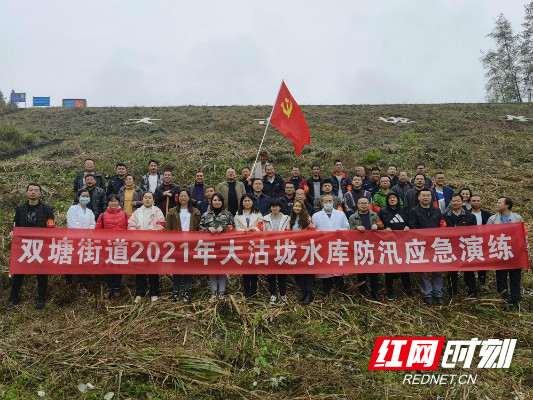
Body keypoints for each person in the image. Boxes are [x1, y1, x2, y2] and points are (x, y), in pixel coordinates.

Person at [7, 183, 55, 309]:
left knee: (42, 272)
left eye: (36, 190)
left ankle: (41, 298)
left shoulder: (47, 209)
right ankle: (14, 297)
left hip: (41, 245)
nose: (33, 192)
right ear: (27, 193)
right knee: (19, 271)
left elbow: (51, 227)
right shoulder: (20, 209)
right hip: (24, 245)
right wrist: (13, 232)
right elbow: (15, 225)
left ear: (40, 193)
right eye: (31, 190)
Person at [487, 197, 527, 312]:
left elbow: (523, 234)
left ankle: (516, 301)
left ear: (507, 205)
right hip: (499, 252)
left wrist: (525, 245)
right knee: (501, 278)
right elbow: (487, 236)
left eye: (499, 203)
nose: (497, 204)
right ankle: (504, 301)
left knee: (515, 278)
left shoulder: (517, 218)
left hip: (515, 253)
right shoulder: (492, 219)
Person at [408, 188, 445, 306]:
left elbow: (441, 227)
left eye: (428, 195)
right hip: (422, 245)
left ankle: (438, 293)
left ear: (431, 197)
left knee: (438, 270)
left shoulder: (437, 211)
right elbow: (412, 227)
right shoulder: (413, 211)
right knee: (424, 271)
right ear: (418, 197)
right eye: (423, 195)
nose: (426, 197)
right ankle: (427, 294)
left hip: (436, 244)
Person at [128, 192, 165, 303]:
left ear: (153, 200)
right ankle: (140, 293)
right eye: (145, 198)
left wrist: (150, 233)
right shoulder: (137, 212)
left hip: (153, 244)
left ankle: (154, 293)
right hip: (139, 244)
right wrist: (137, 234)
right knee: (140, 269)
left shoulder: (157, 211)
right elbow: (131, 225)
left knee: (153, 269)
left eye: (150, 198)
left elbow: (161, 224)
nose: (147, 199)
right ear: (142, 199)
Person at [165, 189, 201, 303]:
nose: (183, 198)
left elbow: (199, 229)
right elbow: (167, 229)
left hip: (190, 244)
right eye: (181, 196)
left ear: (189, 198)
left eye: (185, 196)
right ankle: (175, 291)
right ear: (178, 198)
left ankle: (186, 291)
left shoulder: (195, 212)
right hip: (176, 244)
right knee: (176, 267)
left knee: (188, 268)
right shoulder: (172, 212)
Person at [312, 194, 350, 299]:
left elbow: (346, 227)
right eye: (325, 201)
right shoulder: (316, 215)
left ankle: (341, 294)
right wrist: (322, 233)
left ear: (333, 202)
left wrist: (339, 232)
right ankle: (327, 294)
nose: (328, 203)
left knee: (338, 271)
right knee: (326, 272)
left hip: (337, 245)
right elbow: (313, 230)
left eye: (330, 201)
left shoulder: (340, 214)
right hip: (323, 246)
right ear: (322, 203)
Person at [199, 193, 235, 301]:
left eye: (219, 200)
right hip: (209, 245)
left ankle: (222, 292)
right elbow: (200, 227)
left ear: (222, 202)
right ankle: (213, 292)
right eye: (215, 200)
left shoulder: (228, 214)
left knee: (222, 268)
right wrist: (207, 229)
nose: (217, 202)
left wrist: (224, 227)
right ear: (211, 201)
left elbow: (233, 227)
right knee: (212, 268)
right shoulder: (206, 215)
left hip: (223, 245)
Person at [443, 194, 478, 299]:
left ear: (462, 202)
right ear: (450, 203)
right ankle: (453, 292)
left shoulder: (470, 216)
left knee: (468, 271)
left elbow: (474, 232)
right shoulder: (444, 216)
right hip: (450, 247)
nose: (456, 203)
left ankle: (472, 292)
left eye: (458, 201)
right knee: (452, 271)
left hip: (465, 247)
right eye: (453, 201)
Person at [349, 197, 384, 302]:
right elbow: (349, 231)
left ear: (369, 204)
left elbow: (382, 225)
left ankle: (375, 292)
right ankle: (362, 292)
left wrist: (376, 225)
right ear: (357, 204)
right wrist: (356, 229)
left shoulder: (374, 215)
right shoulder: (353, 217)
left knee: (374, 271)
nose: (363, 205)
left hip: (373, 247)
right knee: (361, 271)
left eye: (365, 203)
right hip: (359, 248)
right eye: (361, 203)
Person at [378, 192, 412, 300]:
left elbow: (410, 221)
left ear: (398, 199)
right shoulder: (383, 211)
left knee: (404, 267)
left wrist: (408, 226)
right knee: (389, 268)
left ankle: (408, 289)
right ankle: (390, 291)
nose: (392, 200)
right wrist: (384, 228)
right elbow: (379, 224)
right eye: (390, 198)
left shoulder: (404, 210)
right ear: (387, 200)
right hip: (389, 243)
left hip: (403, 242)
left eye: (394, 198)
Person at [96, 194, 129, 298]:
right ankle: (110, 287)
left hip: (120, 245)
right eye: (111, 201)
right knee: (108, 267)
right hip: (107, 246)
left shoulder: (125, 215)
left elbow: (130, 229)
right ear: (108, 202)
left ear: (119, 202)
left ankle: (117, 288)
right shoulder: (102, 216)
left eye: (115, 201)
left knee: (118, 266)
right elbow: (97, 231)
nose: (113, 203)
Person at [262, 198, 291, 304]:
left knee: (282, 274)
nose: (275, 208)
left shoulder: (287, 218)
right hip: (269, 249)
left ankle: (283, 294)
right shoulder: (265, 219)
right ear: (270, 207)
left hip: (282, 248)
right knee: (271, 274)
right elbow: (262, 232)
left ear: (280, 207)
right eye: (273, 206)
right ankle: (273, 294)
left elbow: (288, 232)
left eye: (277, 206)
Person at [234, 194, 263, 299]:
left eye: (249, 201)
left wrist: (254, 229)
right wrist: (245, 231)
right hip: (243, 243)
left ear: (252, 202)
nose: (247, 202)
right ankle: (246, 292)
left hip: (255, 243)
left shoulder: (258, 213)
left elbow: (261, 227)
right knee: (245, 268)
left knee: (254, 268)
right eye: (245, 201)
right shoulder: (238, 214)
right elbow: (236, 228)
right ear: (242, 202)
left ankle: (254, 292)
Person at [66, 189, 96, 288]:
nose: (85, 198)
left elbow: (93, 224)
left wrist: (87, 234)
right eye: (83, 196)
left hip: (86, 241)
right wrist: (82, 233)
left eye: (87, 196)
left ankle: (82, 282)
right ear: (78, 197)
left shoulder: (90, 211)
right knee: (71, 260)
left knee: (83, 259)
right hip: (73, 239)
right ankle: (69, 282)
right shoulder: (73, 209)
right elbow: (73, 223)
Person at [290, 199, 315, 305]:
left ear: (302, 208)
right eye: (295, 206)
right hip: (294, 248)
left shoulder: (307, 218)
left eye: (299, 206)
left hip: (306, 247)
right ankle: (304, 291)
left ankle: (309, 293)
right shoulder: (290, 218)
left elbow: (312, 230)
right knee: (299, 271)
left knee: (308, 271)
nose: (297, 208)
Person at [469, 194, 493, 290]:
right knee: (470, 261)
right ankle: (471, 284)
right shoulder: (465, 213)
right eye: (473, 201)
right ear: (470, 202)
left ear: (481, 202)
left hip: (484, 241)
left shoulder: (487, 214)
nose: (476, 202)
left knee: (482, 262)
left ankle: (482, 282)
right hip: (470, 241)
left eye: (478, 201)